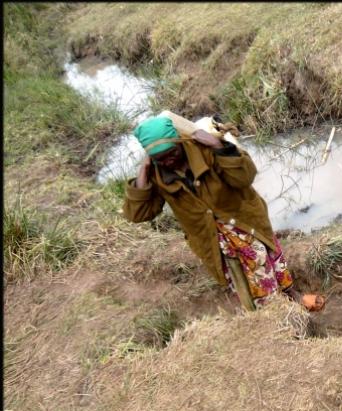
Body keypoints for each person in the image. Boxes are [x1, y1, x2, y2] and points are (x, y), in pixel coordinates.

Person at [122, 115, 324, 311]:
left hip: (245, 222)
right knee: (244, 282)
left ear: (179, 141)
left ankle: (292, 298)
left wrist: (219, 146)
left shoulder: (206, 150)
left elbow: (245, 177)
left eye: (172, 153)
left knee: (271, 263)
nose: (168, 162)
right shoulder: (155, 174)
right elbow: (138, 214)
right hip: (212, 240)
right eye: (160, 158)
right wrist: (144, 171)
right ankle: (274, 316)